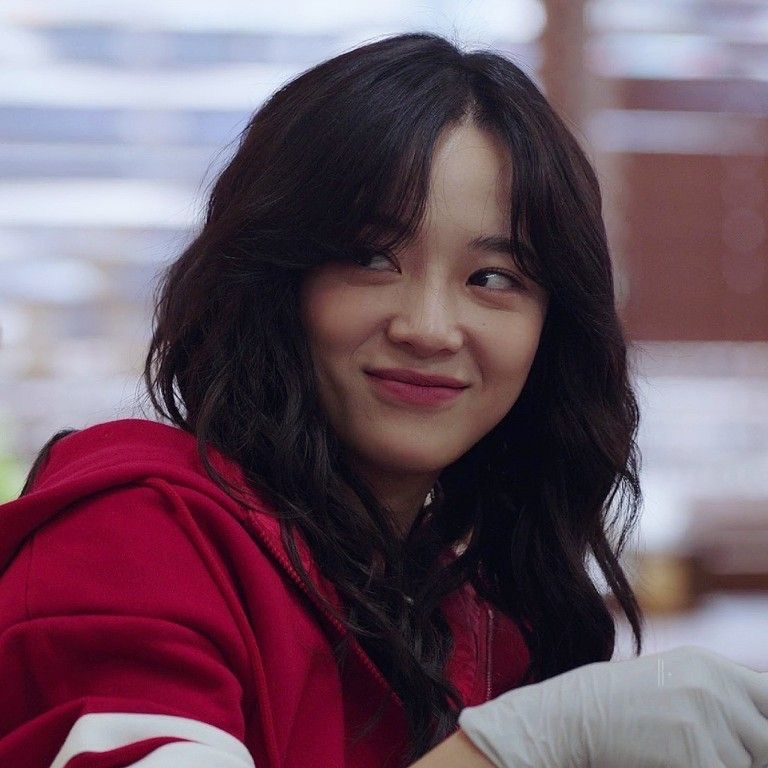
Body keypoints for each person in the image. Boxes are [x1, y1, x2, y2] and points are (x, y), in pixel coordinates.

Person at [0, 32, 766, 768]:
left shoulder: (482, 618)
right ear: (273, 279)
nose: (428, 328)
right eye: (371, 259)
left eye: (492, 278)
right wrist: (521, 748)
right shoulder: (135, 529)